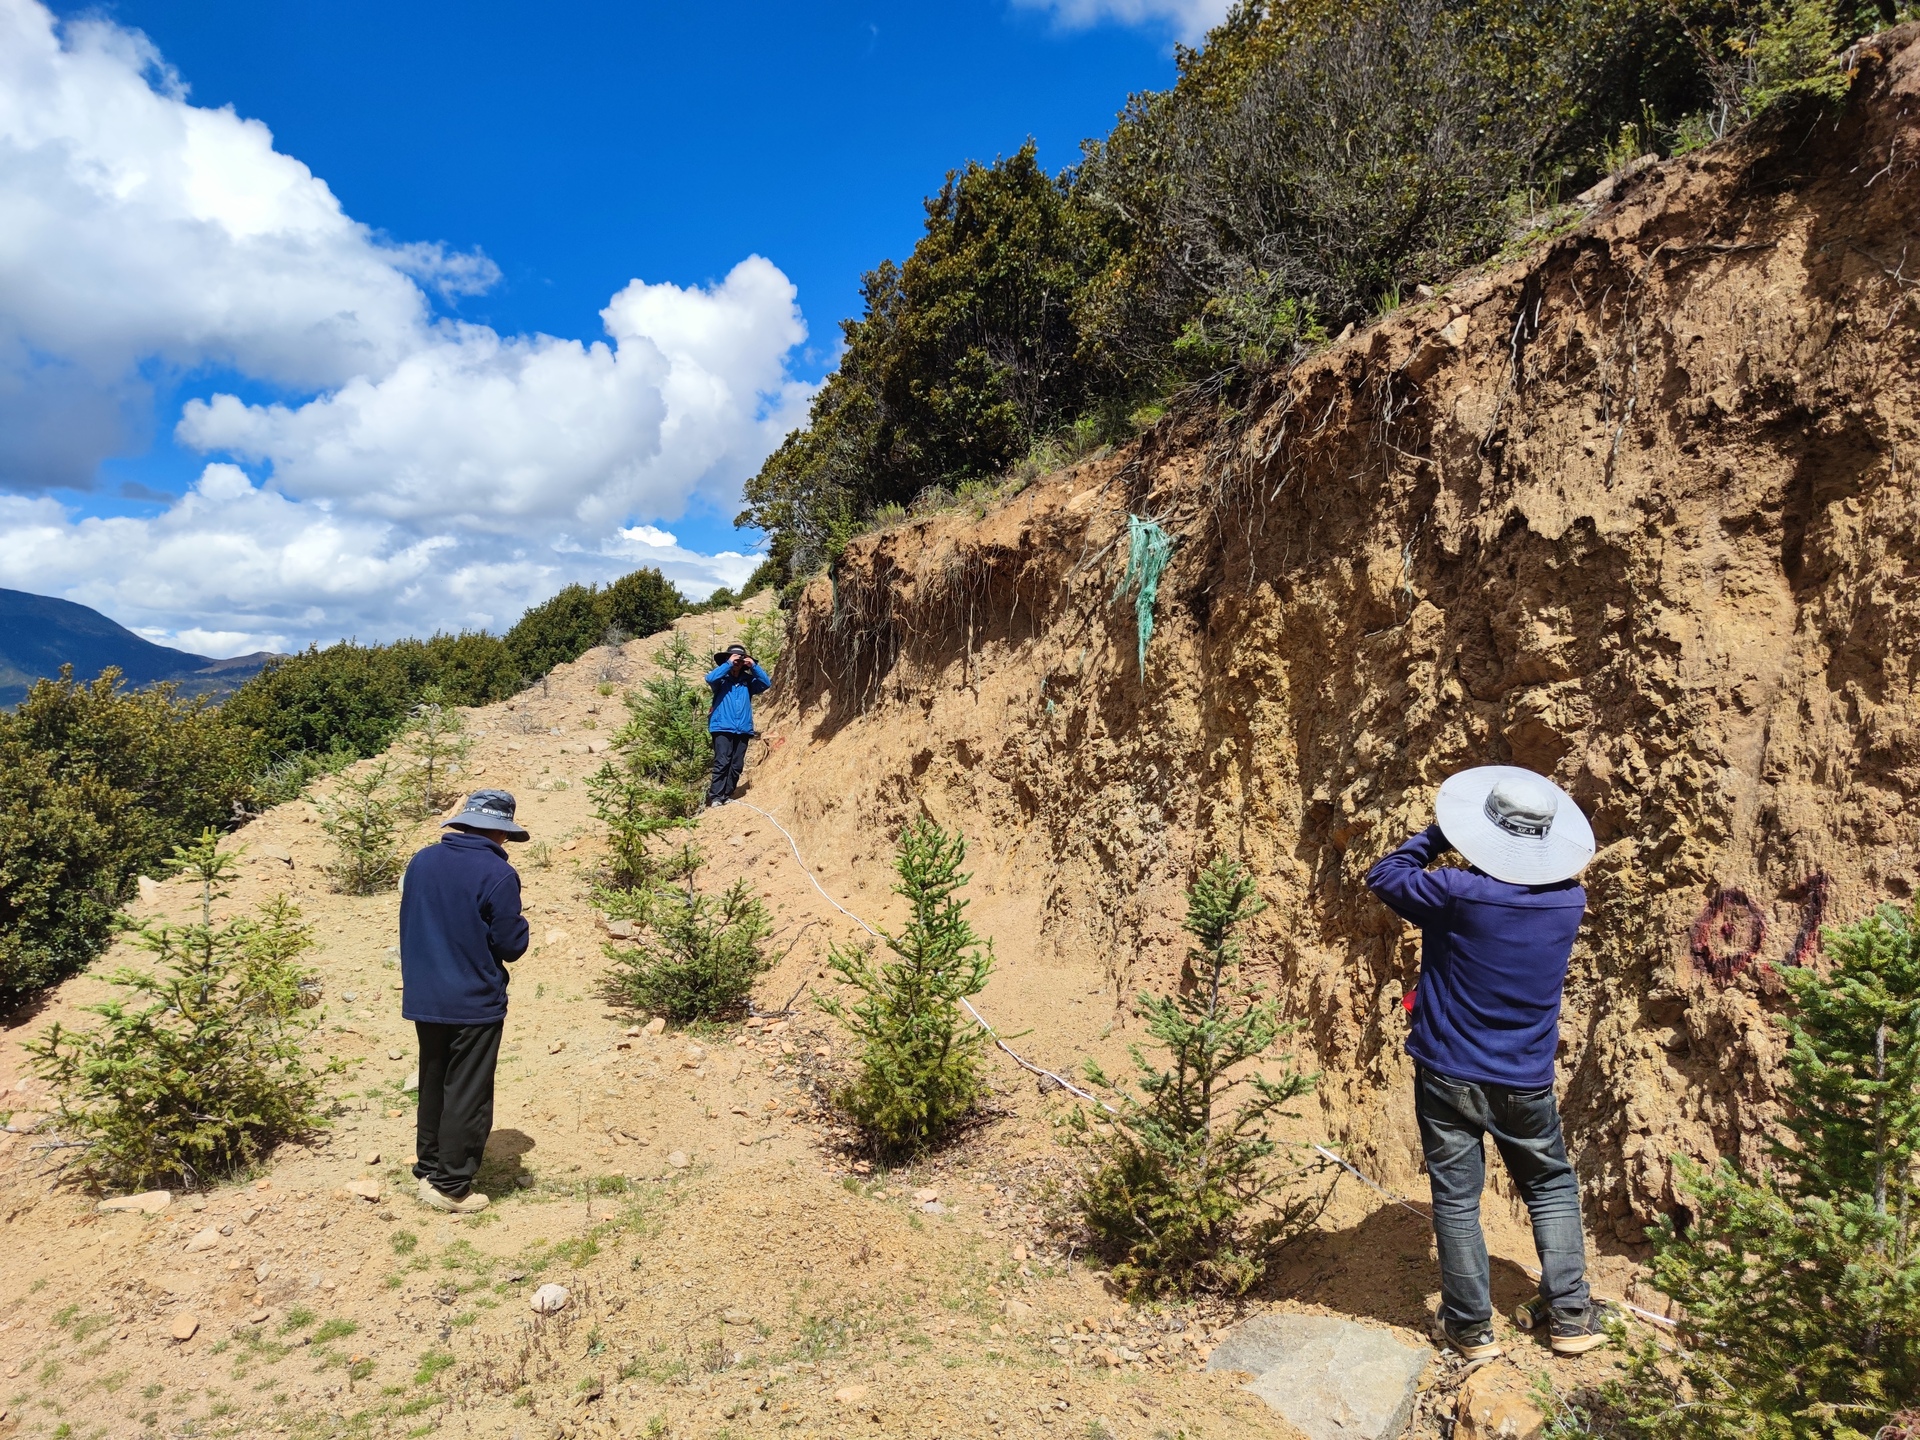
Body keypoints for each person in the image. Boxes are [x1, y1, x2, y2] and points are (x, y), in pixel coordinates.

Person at [1365, 765, 1607, 1360]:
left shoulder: (1456, 894)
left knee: (1455, 1197)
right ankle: (1572, 1316)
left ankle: (1471, 1331)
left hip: (1447, 1070)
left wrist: (1441, 835)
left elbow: (1386, 874)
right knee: (1549, 1184)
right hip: (1525, 1076)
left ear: (1486, 833)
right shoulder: (1568, 901)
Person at [398, 788, 530, 1214]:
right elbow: (511, 944)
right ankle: (451, 1185)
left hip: (425, 994)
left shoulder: (422, 860)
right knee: (468, 1092)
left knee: (434, 1081)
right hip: (473, 998)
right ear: (500, 833)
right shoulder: (497, 874)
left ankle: (429, 1166)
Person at [705, 642, 770, 807]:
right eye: (734, 658)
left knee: (736, 764)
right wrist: (728, 664)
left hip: (742, 728)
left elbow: (766, 684)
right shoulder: (721, 680)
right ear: (728, 659)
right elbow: (709, 678)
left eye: (740, 659)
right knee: (722, 761)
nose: (737, 662)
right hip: (721, 726)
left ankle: (727, 794)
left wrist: (754, 666)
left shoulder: (748, 681)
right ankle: (716, 797)